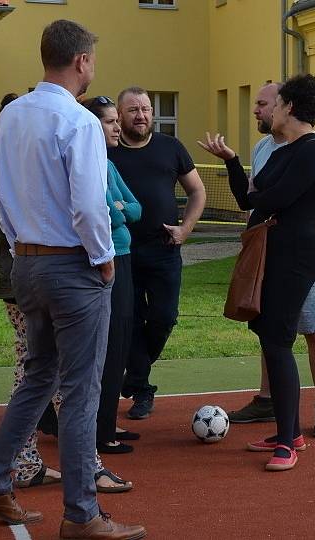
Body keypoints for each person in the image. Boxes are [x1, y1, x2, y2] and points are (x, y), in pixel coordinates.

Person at [0, 19, 145, 539]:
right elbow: (89, 207)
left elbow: (1, 196)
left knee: (39, 376)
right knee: (81, 390)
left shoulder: (13, 114)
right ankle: (83, 514)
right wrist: (104, 257)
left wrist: (23, 246)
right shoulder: (80, 122)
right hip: (72, 265)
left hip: (28, 263)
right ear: (83, 61)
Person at [198, 81, 315, 438]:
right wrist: (231, 161)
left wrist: (261, 197)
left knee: (280, 343)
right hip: (270, 257)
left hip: (295, 260)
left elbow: (273, 199)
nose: (266, 111)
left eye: (272, 104)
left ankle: (291, 439)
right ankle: (285, 434)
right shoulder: (278, 152)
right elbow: (249, 200)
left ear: (289, 106)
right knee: (270, 341)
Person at [109, 87, 206, 420]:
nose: (142, 115)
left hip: (164, 250)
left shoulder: (170, 147)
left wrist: (186, 229)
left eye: (147, 109)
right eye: (133, 110)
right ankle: (143, 389)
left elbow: (197, 191)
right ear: (120, 116)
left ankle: (134, 376)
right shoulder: (108, 151)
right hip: (122, 254)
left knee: (164, 317)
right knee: (130, 321)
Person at [0, 92, 62, 489]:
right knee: (41, 373)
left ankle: (24, 462)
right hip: (29, 281)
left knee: (39, 372)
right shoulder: (18, 171)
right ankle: (24, 462)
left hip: (24, 280)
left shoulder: (10, 164)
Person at [84, 95, 142, 453]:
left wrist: (118, 210)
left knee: (121, 341)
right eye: (109, 122)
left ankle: (107, 423)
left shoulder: (108, 165)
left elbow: (136, 207)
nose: (117, 126)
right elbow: (106, 210)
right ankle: (100, 432)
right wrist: (118, 211)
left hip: (125, 255)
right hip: (108, 259)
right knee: (108, 345)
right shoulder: (89, 164)